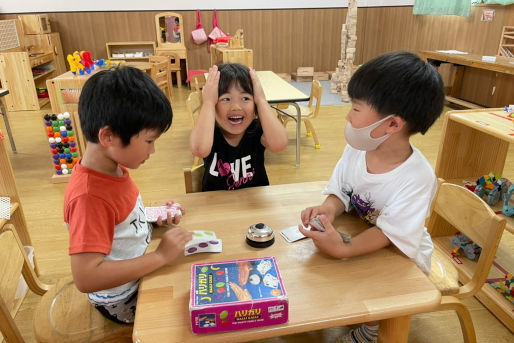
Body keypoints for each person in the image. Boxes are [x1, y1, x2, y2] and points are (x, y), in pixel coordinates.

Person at [298, 51, 445, 343]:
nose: (347, 115)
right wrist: (328, 210)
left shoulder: (417, 178)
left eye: (355, 108)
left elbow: (388, 235)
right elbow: (340, 191)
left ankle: (371, 331)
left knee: (375, 296)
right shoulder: (357, 148)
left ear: (392, 124)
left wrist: (342, 249)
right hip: (365, 234)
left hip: (403, 256)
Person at [64, 66, 193, 324]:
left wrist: (150, 218)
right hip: (122, 298)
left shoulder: (113, 167)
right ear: (108, 136)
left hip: (137, 272)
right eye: (149, 141)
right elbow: (86, 277)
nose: (153, 150)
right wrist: (160, 256)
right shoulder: (89, 198)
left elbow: (119, 218)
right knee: (190, 316)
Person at [190, 63, 288, 191]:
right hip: (216, 206)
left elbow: (279, 144)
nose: (236, 106)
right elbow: (199, 149)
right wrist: (208, 102)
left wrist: (262, 100)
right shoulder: (209, 131)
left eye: (245, 98)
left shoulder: (256, 129)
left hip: (254, 204)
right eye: (225, 99)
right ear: (214, 104)